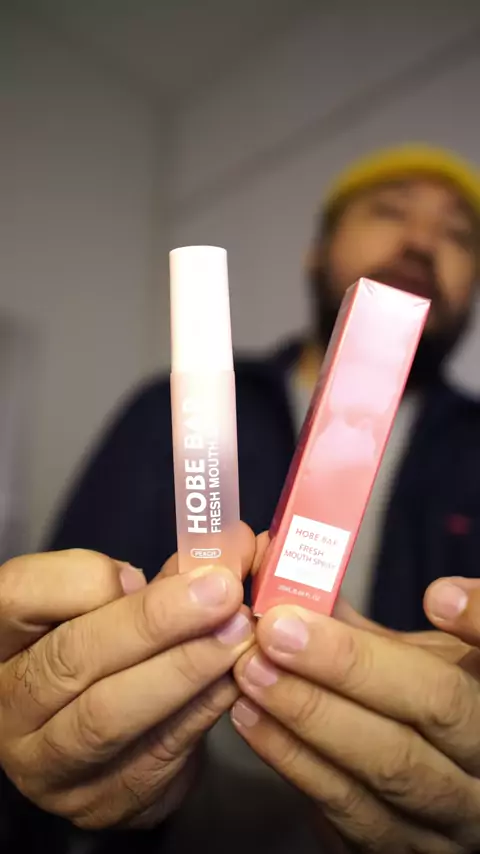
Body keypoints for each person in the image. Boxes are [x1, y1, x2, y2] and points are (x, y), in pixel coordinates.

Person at [2, 143, 480, 852]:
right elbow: (48, 647)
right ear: (316, 254)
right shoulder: (166, 409)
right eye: (390, 211)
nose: (421, 240)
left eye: (459, 234)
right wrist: (43, 726)